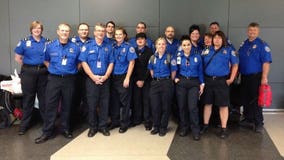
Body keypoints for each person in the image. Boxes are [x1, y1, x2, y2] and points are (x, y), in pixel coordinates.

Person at [35, 23, 80, 144]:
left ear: (69, 32)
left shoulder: (75, 47)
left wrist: (70, 70)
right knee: (51, 106)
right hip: (54, 79)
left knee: (67, 105)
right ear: (58, 32)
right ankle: (47, 132)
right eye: (62, 30)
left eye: (67, 31)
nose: (65, 33)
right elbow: (46, 60)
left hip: (69, 79)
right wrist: (54, 70)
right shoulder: (50, 46)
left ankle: (65, 129)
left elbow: (79, 63)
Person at [200, 31, 238, 139]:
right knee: (207, 104)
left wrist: (231, 78)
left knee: (223, 105)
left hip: (222, 81)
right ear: (212, 40)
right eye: (215, 38)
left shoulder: (229, 50)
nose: (217, 40)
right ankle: (205, 125)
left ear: (223, 40)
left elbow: (235, 65)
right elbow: (200, 65)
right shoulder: (206, 50)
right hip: (208, 81)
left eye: (219, 38)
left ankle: (224, 128)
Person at [14, 21, 49, 135]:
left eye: (39, 28)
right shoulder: (24, 42)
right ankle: (24, 125)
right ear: (31, 30)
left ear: (42, 30)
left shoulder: (47, 42)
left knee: (44, 99)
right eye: (35, 28)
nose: (37, 30)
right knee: (28, 99)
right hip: (28, 72)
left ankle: (47, 125)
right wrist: (30, 66)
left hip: (43, 72)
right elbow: (18, 58)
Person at [79, 23, 114, 137]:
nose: (100, 33)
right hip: (91, 80)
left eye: (102, 31)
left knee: (104, 104)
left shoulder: (109, 46)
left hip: (105, 79)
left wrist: (106, 76)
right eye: (98, 31)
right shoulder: (87, 46)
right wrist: (93, 77)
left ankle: (103, 127)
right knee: (92, 105)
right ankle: (93, 127)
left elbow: (111, 63)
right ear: (94, 32)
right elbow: (84, 62)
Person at [238, 22, 272, 133]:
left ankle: (259, 123)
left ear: (258, 31)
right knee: (246, 99)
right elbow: (239, 60)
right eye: (250, 30)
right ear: (247, 31)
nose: (252, 32)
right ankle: (248, 119)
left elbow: (266, 62)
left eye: (254, 30)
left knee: (256, 101)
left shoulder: (262, 45)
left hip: (256, 77)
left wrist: (264, 77)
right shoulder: (244, 44)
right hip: (244, 77)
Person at [174, 35, 204, 140]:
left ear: (191, 45)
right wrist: (176, 78)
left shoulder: (197, 56)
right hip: (182, 82)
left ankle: (195, 130)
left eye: (188, 45)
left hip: (194, 82)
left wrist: (202, 83)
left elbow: (200, 71)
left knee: (193, 107)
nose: (186, 47)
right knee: (182, 106)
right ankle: (184, 128)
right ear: (181, 46)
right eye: (184, 45)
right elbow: (175, 69)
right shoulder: (178, 56)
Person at [109, 27, 137, 133]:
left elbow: (132, 62)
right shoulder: (112, 47)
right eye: (116, 34)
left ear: (124, 35)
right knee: (114, 101)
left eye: (120, 34)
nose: (118, 36)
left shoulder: (129, 47)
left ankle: (124, 124)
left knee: (125, 102)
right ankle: (115, 122)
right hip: (113, 77)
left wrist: (127, 78)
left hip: (123, 77)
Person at [148, 37, 177, 136]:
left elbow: (173, 72)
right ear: (156, 46)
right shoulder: (152, 58)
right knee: (155, 106)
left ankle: (163, 127)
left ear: (166, 46)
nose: (161, 46)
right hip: (155, 83)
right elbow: (151, 71)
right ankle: (156, 126)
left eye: (163, 44)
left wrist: (167, 80)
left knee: (166, 106)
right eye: (159, 44)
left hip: (166, 83)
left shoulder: (170, 57)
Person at [71, 23, 92, 125]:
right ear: (78, 31)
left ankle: (88, 121)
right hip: (75, 74)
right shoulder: (72, 42)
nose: (84, 31)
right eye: (82, 29)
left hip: (89, 74)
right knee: (74, 97)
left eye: (86, 30)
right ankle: (74, 121)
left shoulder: (92, 42)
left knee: (88, 97)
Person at [131, 32, 153, 130]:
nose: (140, 40)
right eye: (138, 39)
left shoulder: (150, 52)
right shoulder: (133, 51)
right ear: (136, 41)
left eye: (142, 39)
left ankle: (147, 121)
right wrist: (137, 80)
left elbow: (150, 68)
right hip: (135, 81)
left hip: (146, 80)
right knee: (136, 100)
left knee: (146, 101)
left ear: (145, 40)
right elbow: (132, 67)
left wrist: (143, 80)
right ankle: (136, 119)